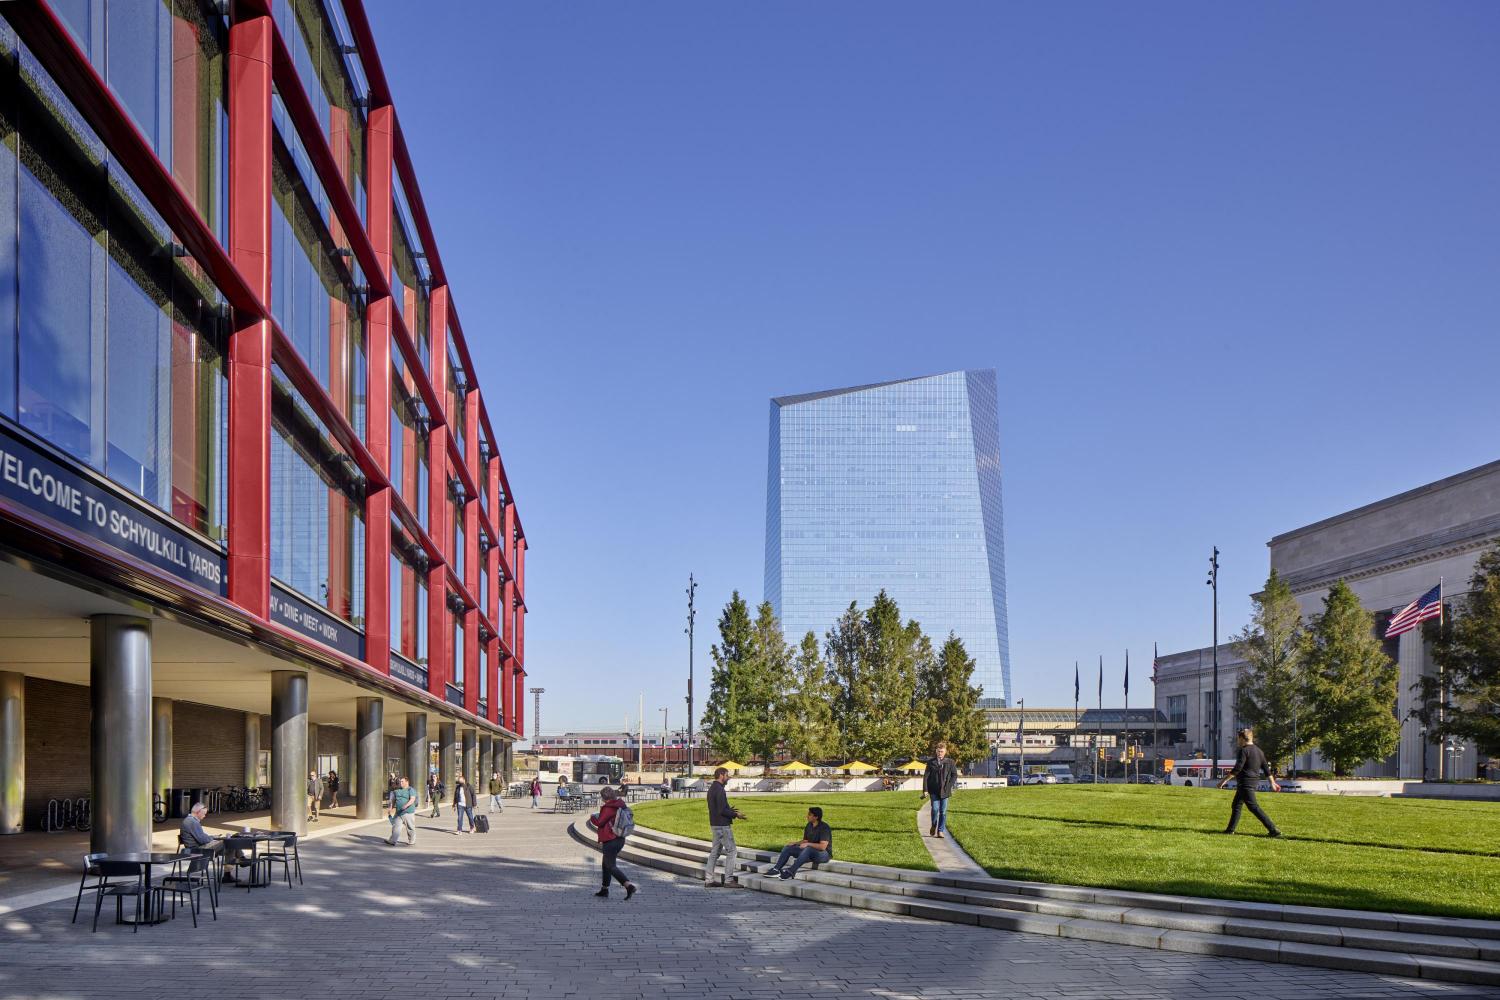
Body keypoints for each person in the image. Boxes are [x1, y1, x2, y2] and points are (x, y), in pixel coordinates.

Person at [1218, 728, 1282, 837]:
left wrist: (1223, 781)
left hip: (1245, 782)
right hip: (1252, 781)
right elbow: (1266, 769)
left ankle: (1273, 830)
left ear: (1242, 738)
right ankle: (1230, 830)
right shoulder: (1259, 751)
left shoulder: (1244, 751)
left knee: (1253, 807)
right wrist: (1272, 783)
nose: (1238, 741)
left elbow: (1237, 769)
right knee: (1236, 805)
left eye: (1238, 739)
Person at [587, 787, 637, 899]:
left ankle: (628, 885)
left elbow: (600, 822)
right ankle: (604, 889)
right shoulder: (620, 804)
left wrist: (592, 818)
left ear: (604, 797)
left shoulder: (608, 808)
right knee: (606, 864)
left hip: (611, 840)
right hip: (620, 838)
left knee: (610, 866)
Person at [762, 806, 833, 881]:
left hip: (824, 855)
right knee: (788, 848)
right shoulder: (809, 825)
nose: (807, 816)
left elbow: (823, 847)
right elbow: (805, 841)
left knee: (808, 849)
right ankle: (776, 870)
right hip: (809, 852)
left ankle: (791, 872)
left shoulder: (824, 828)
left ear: (816, 817)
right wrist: (795, 843)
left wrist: (808, 844)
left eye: (809, 814)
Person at [703, 766, 745, 888]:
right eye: (727, 775)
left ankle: (709, 880)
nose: (728, 778)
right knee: (732, 851)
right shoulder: (720, 790)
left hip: (714, 824)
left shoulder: (712, 788)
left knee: (715, 852)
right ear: (721, 775)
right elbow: (721, 810)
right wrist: (736, 814)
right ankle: (728, 880)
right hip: (722, 826)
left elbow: (717, 807)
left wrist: (729, 810)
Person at [922, 742, 958, 839]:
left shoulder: (950, 762)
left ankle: (940, 831)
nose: (940, 753)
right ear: (936, 751)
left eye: (941, 751)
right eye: (938, 751)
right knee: (935, 809)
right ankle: (934, 825)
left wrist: (949, 785)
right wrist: (925, 790)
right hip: (933, 790)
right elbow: (926, 776)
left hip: (945, 791)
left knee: (943, 811)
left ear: (945, 751)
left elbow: (954, 775)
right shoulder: (931, 762)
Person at [387, 776, 418, 846]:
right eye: (400, 781)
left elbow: (412, 799)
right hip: (399, 812)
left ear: (407, 782)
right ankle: (393, 840)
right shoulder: (397, 790)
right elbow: (393, 800)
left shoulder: (411, 790)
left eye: (402, 781)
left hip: (408, 812)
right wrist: (390, 808)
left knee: (410, 827)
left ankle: (412, 840)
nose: (400, 783)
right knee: (396, 826)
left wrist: (406, 805)